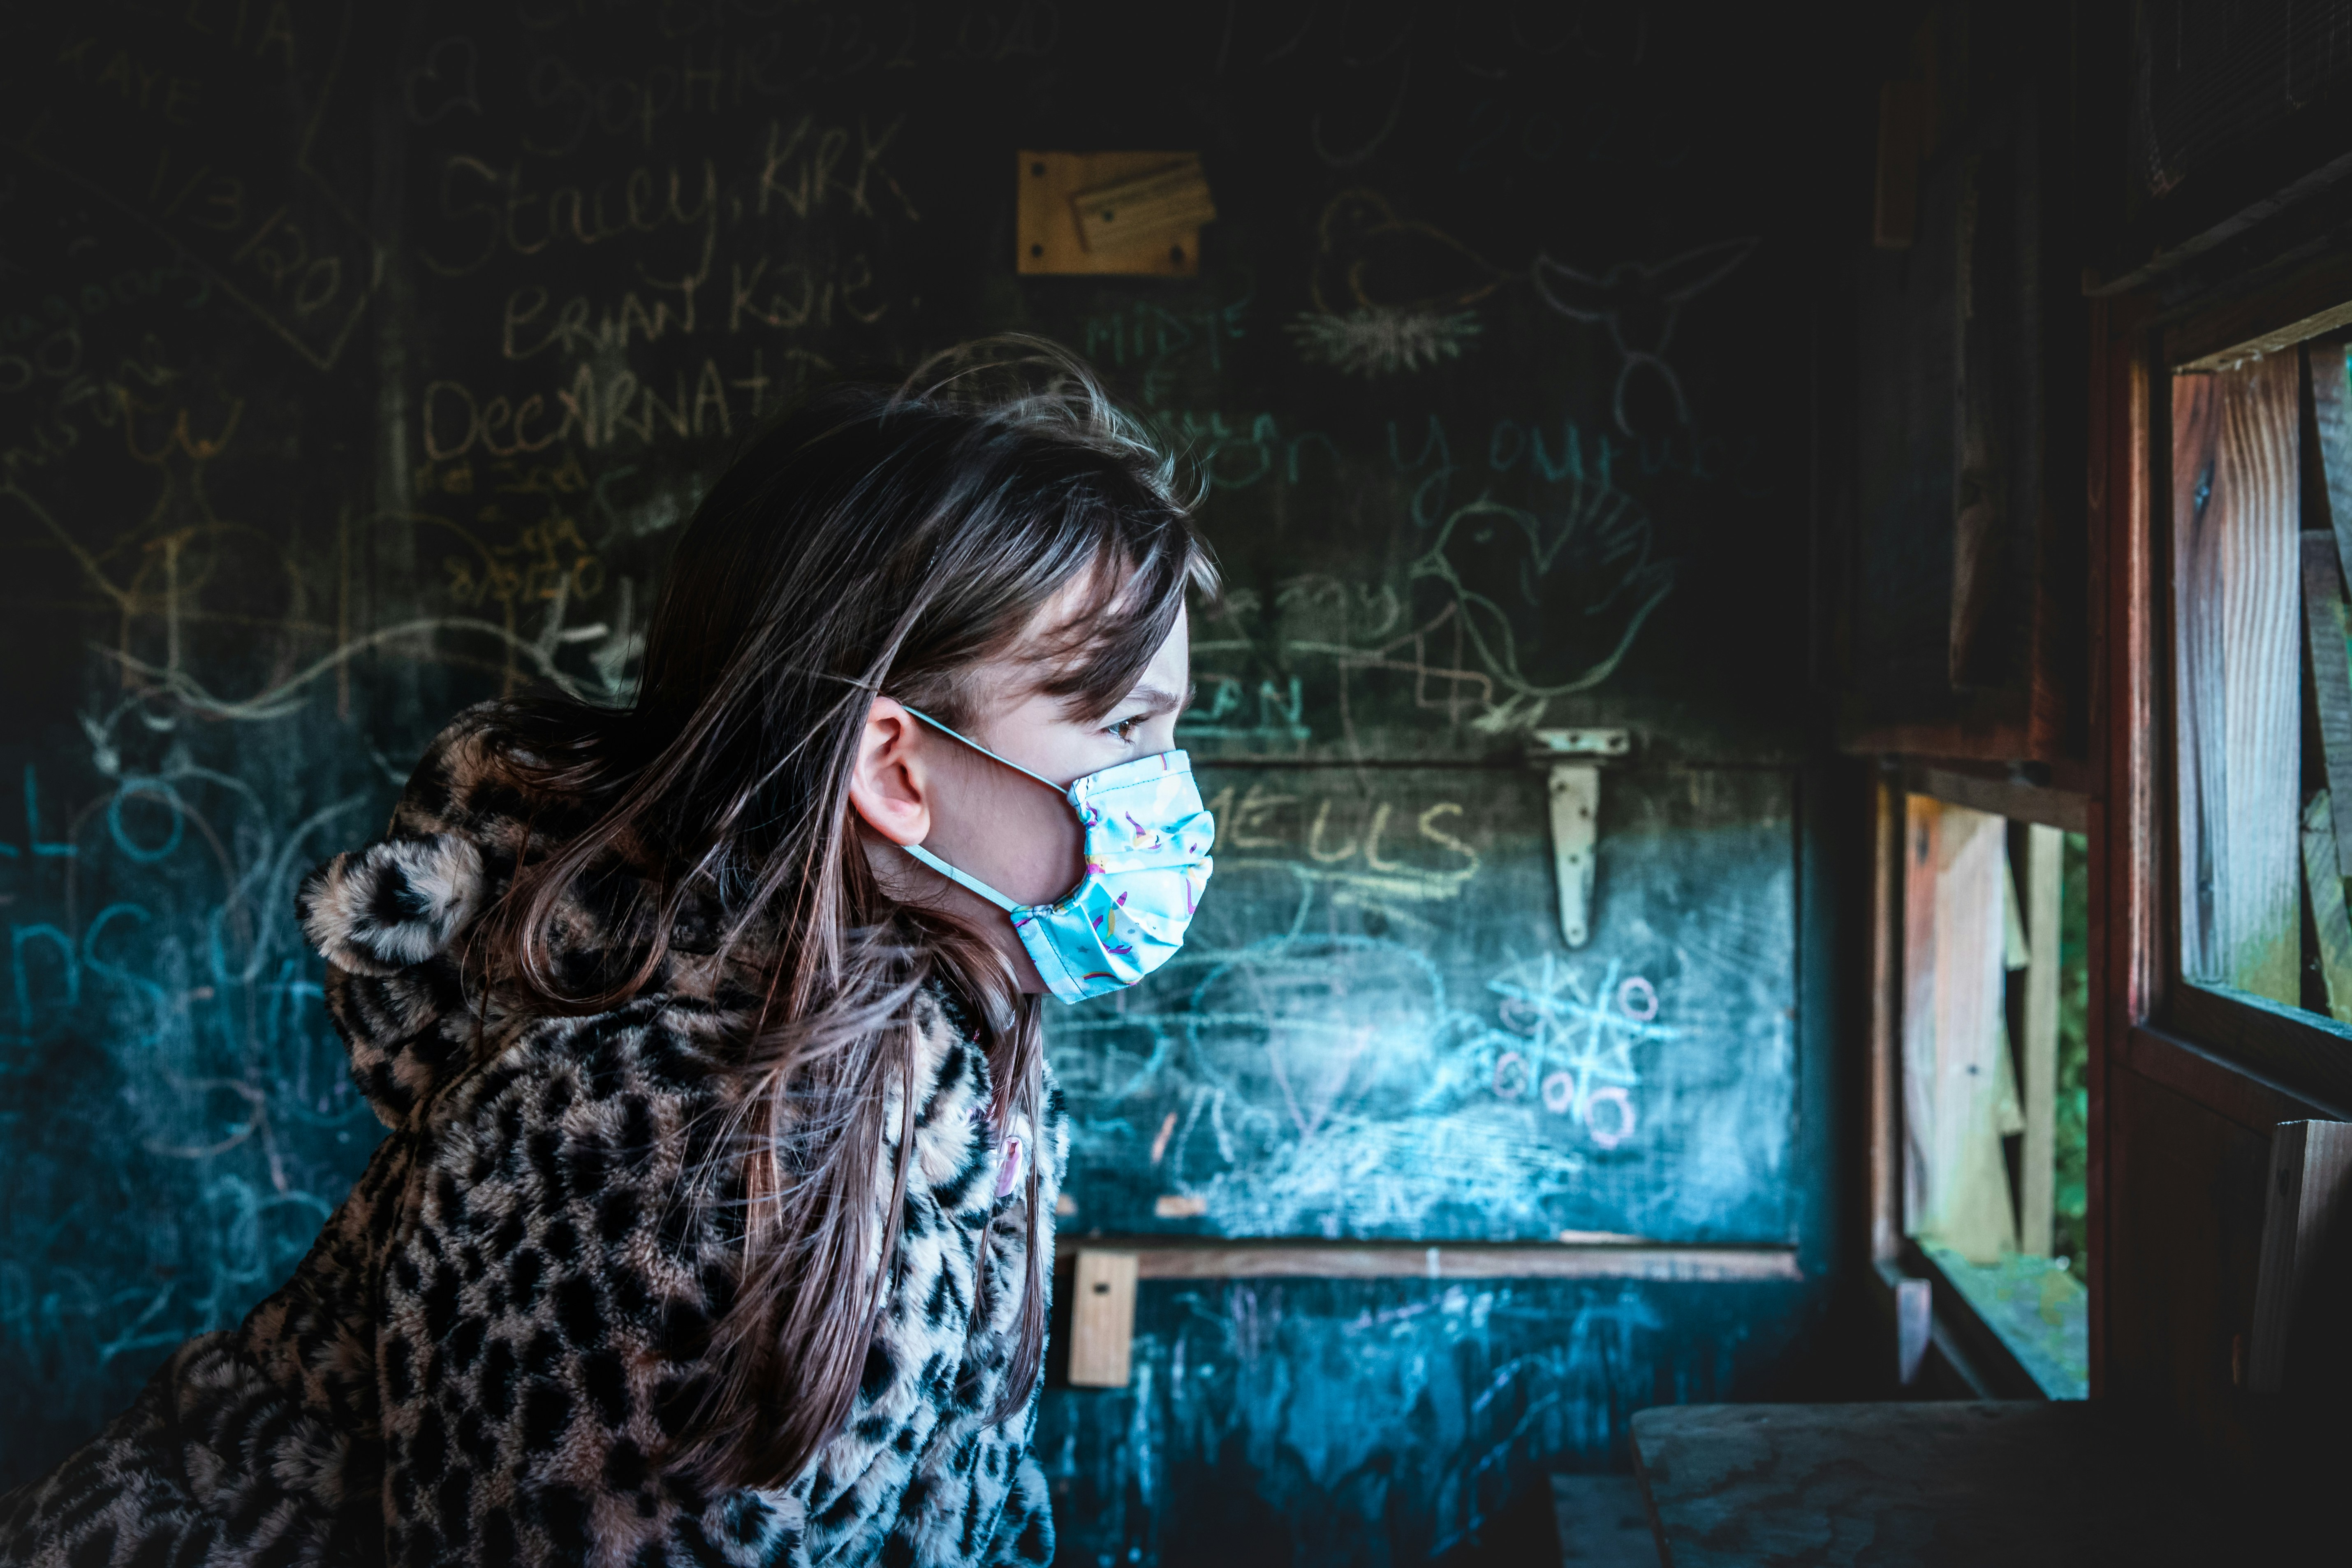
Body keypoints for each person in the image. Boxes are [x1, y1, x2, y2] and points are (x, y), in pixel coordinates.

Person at [0, 340, 1219, 1566]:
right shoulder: (669, 1149)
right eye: (1122, 728)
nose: (1170, 794)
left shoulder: (938, 1047)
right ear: (896, 770)